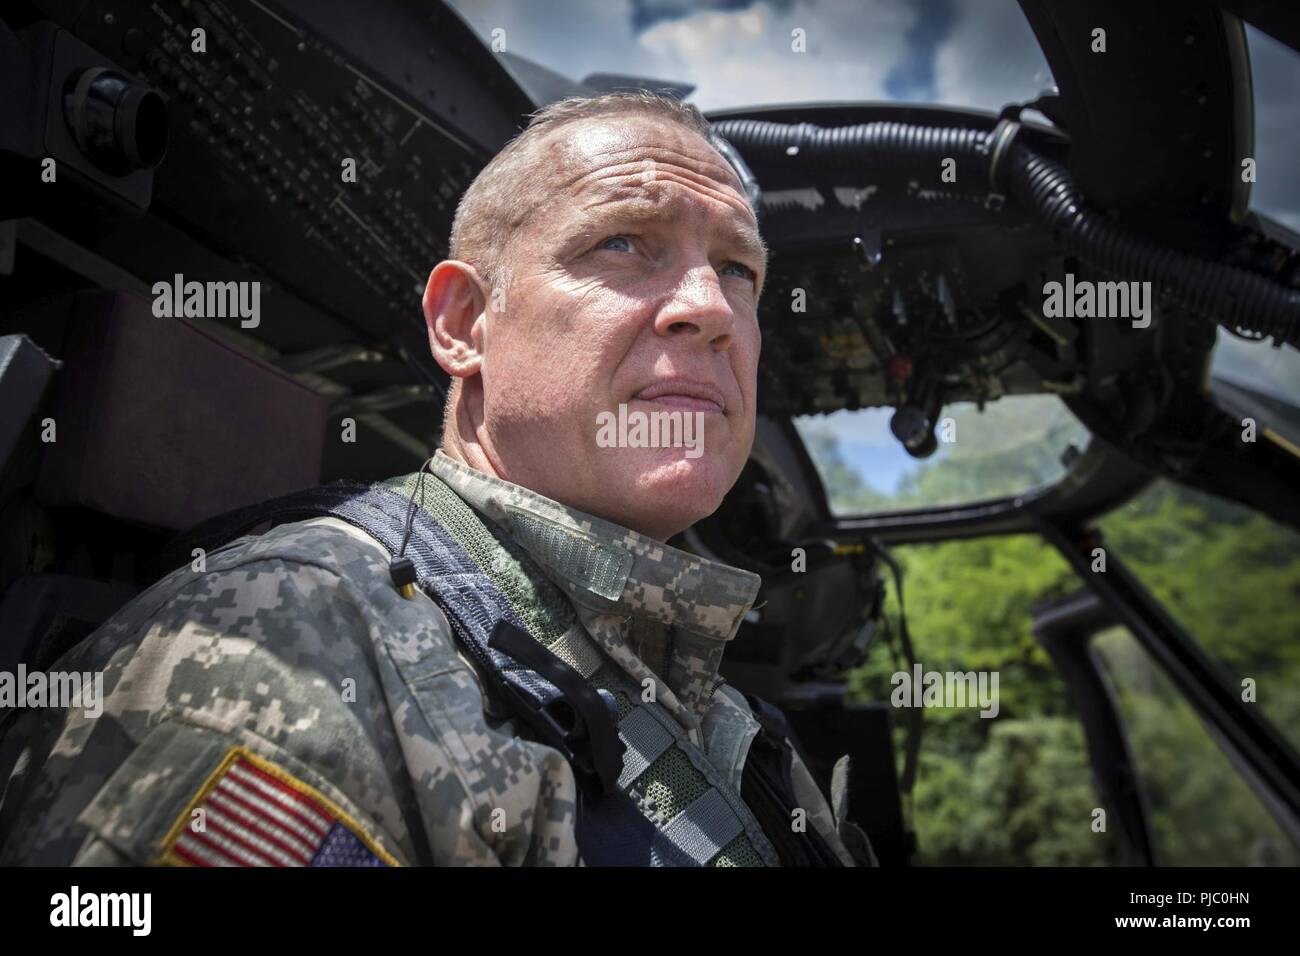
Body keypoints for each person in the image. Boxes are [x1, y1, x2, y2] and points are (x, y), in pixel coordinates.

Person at [0, 91, 871, 867]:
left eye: (738, 268)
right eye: (623, 242)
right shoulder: (309, 640)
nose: (711, 309)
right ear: (464, 324)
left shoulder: (729, 721)